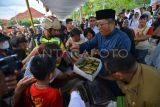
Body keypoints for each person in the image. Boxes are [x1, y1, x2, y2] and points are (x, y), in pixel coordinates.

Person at [71, 9, 131, 96]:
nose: (98, 28)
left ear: (112, 23)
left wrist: (94, 66)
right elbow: (89, 43)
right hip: (101, 69)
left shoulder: (122, 39)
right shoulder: (100, 35)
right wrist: (79, 47)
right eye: (97, 25)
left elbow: (119, 63)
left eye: (101, 24)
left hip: (115, 76)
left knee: (117, 95)